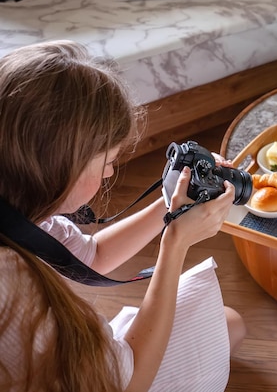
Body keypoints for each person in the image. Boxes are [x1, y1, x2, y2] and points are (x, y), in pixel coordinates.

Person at [0, 40, 246, 392]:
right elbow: (129, 383)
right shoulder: (14, 284)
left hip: (51, 358)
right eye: (108, 160)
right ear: (62, 165)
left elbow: (88, 256)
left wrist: (171, 200)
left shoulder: (17, 204)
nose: (110, 174)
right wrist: (175, 244)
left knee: (229, 325)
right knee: (230, 326)